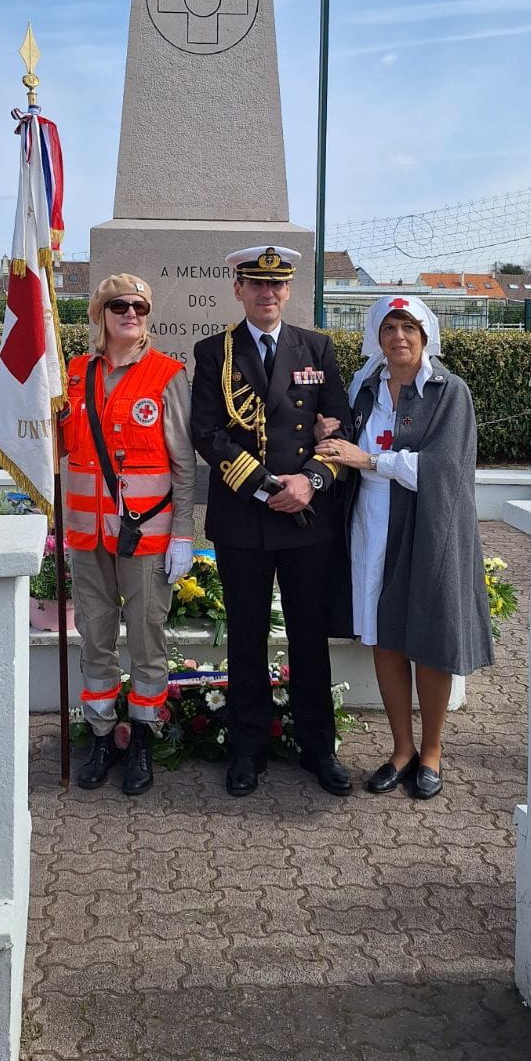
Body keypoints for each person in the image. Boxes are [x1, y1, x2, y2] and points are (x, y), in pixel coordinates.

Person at [315, 293, 494, 800]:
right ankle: (401, 749)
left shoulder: (448, 391)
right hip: (370, 523)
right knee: (384, 635)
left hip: (426, 524)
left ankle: (431, 751)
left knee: (428, 634)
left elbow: (443, 468)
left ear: (425, 335)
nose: (399, 337)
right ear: (377, 336)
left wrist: (371, 461)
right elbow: (345, 443)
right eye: (389, 328)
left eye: (408, 328)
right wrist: (329, 432)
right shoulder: (365, 388)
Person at [190, 245, 354, 797]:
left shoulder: (317, 347)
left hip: (307, 517)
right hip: (244, 516)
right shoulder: (214, 352)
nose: (267, 293)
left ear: (288, 290)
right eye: (256, 284)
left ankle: (318, 747)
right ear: (238, 289)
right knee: (246, 636)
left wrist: (310, 481)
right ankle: (247, 748)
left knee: (309, 636)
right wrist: (266, 487)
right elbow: (207, 432)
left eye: (277, 284)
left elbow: (340, 427)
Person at [61, 273, 197, 795]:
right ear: (101, 314)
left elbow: (183, 462)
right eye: (120, 306)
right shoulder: (73, 374)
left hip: (145, 534)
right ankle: (100, 735)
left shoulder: (166, 374)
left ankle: (141, 735)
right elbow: (57, 446)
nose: (132, 314)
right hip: (86, 532)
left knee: (145, 636)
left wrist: (182, 533)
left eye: (140, 307)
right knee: (95, 635)